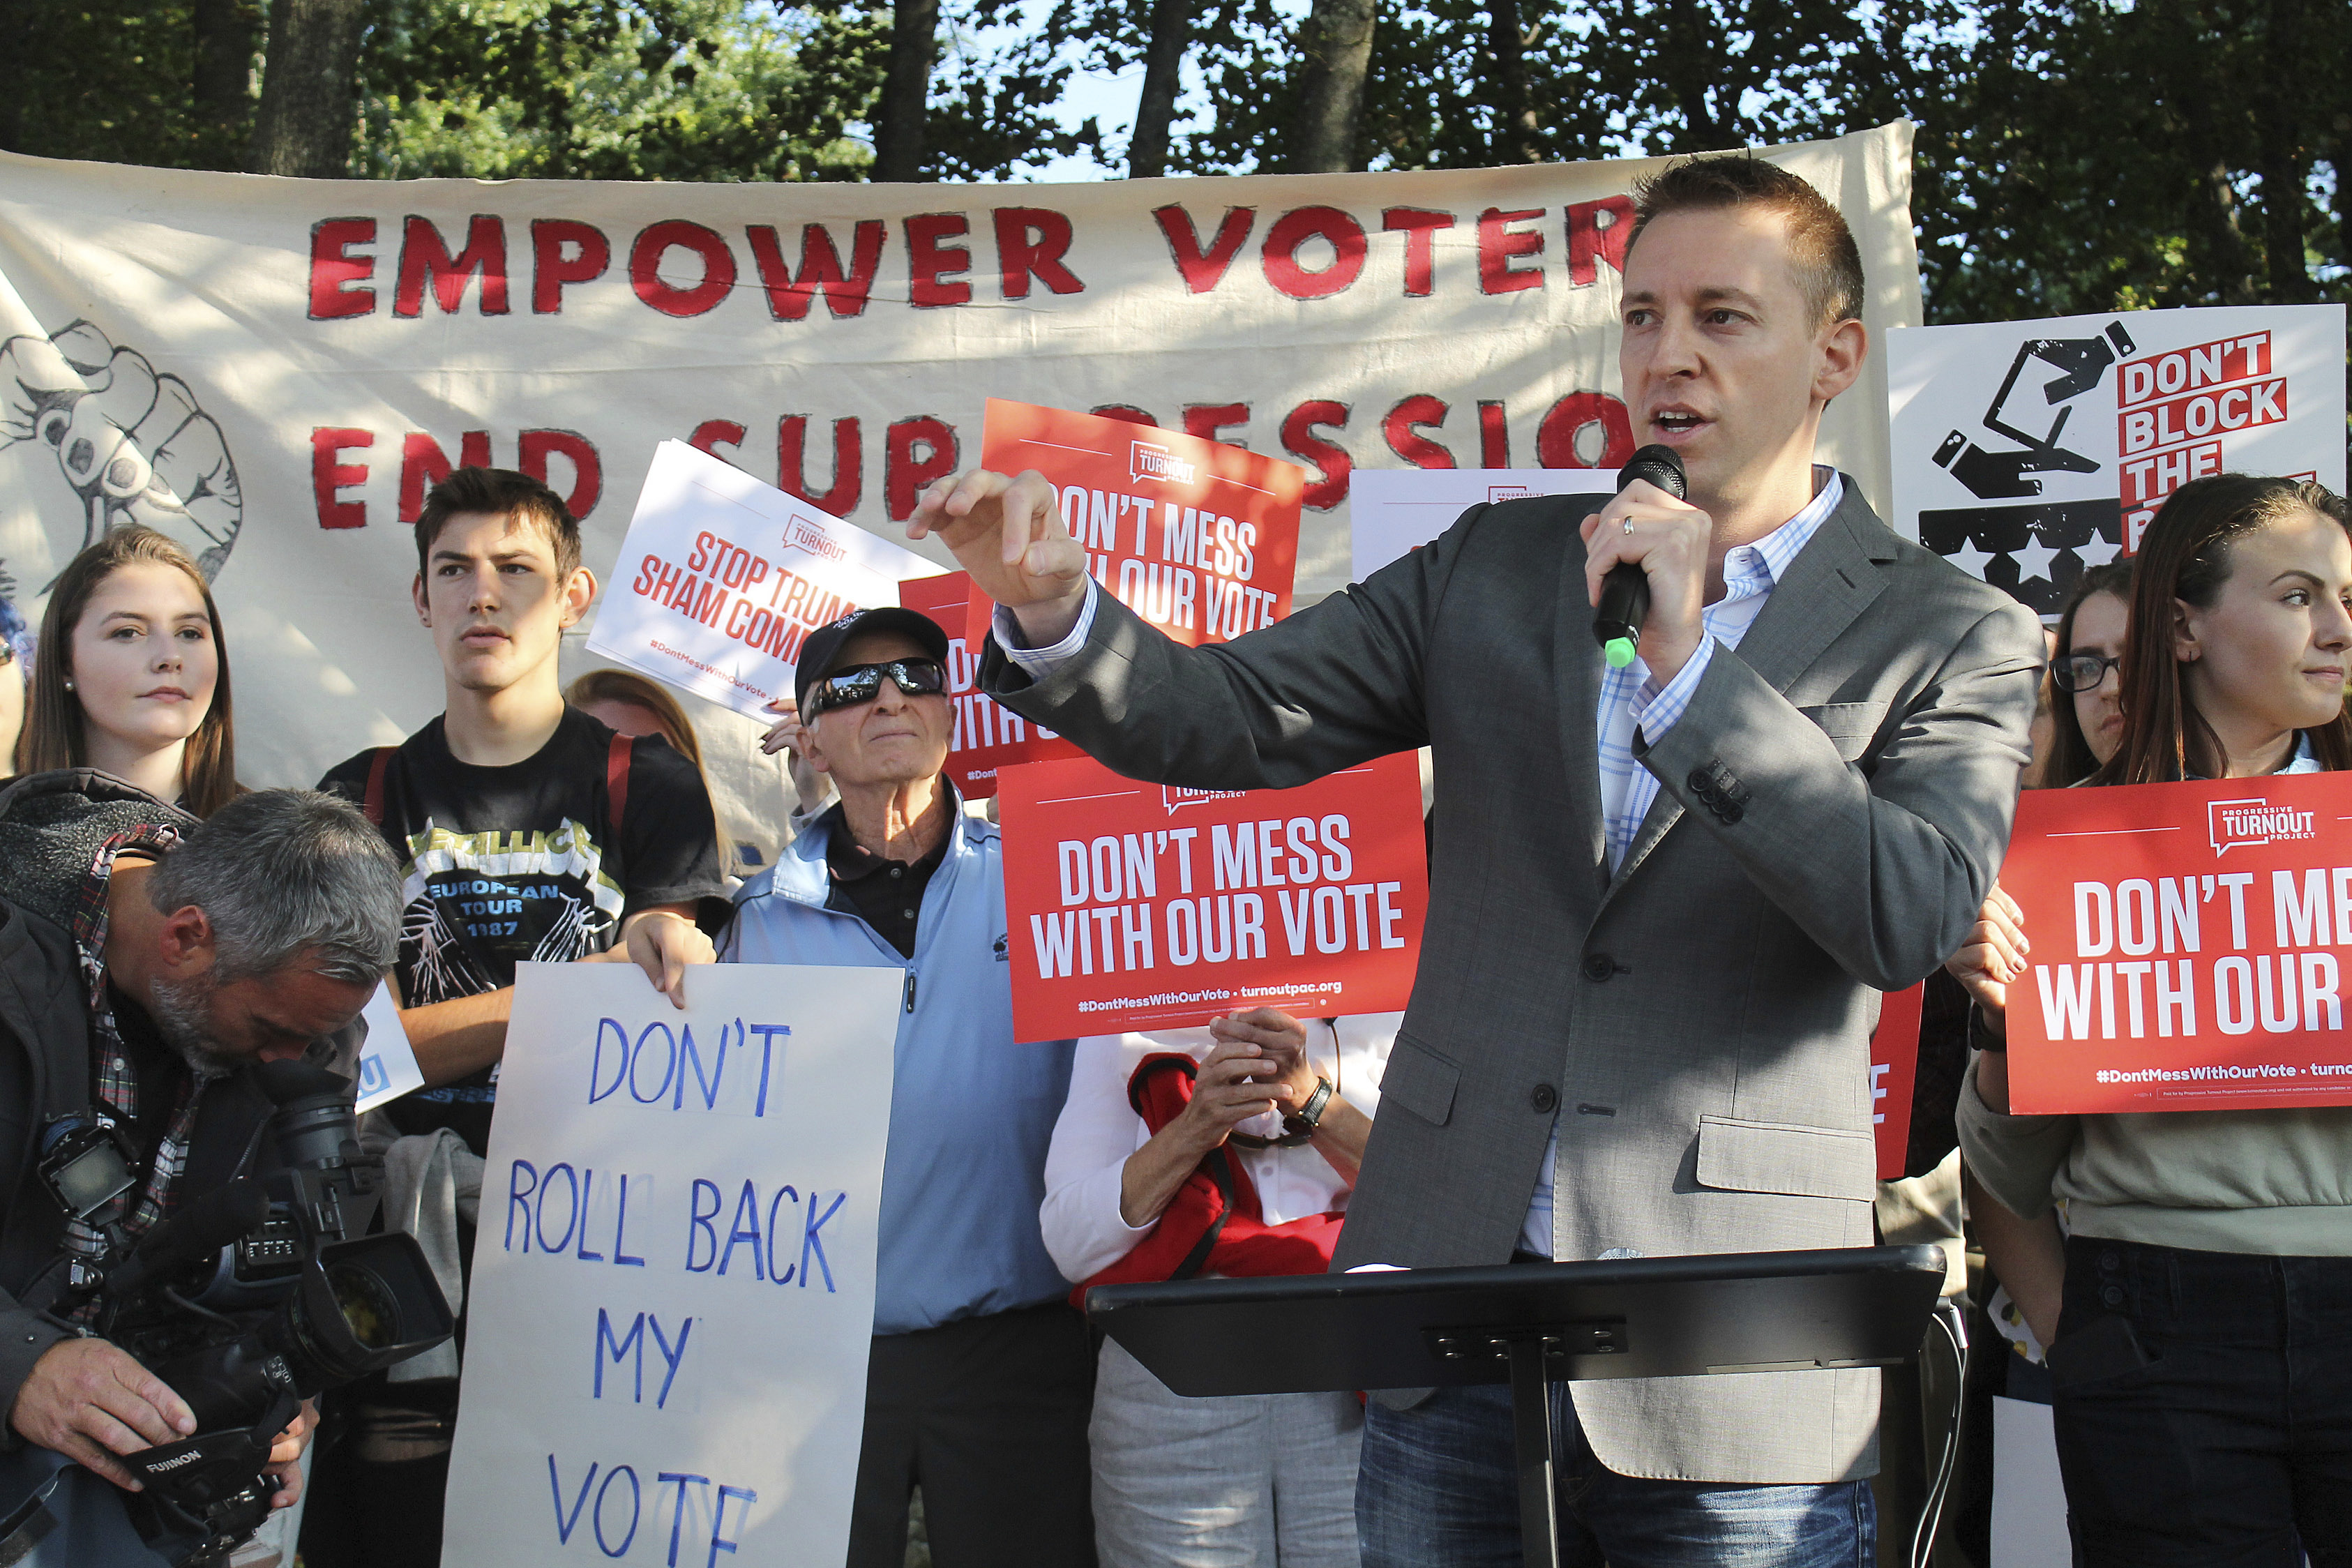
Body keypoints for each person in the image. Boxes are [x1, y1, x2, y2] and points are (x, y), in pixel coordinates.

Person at [912, 153, 2044, 1563]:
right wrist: (1059, 613)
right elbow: (1235, 715)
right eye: (1640, 315)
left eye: (1720, 316)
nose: (1666, 356)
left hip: (1732, 1329)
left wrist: (1685, 663)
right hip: (1453, 1285)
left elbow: (1910, 909)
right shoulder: (1501, 565)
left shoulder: (1950, 626)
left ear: (1836, 353)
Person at [306, 465, 725, 1568]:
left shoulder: (650, 783)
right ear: (420, 598)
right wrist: (574, 989)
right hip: (404, 1259)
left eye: (516, 571)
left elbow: (668, 1006)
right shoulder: (357, 796)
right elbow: (348, 1050)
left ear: (574, 597)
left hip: (595, 1252)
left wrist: (456, 1024)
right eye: (456, 570)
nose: (484, 597)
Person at [1953, 474, 2352, 1565]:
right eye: (2298, 595)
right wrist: (2001, 1031)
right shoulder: (2062, 848)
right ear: (2182, 625)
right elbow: (2003, 1162)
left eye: (2348, 598)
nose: (2337, 629)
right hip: (2154, 1324)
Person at [722, 607, 1093, 1568]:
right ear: (807, 738)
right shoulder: (750, 929)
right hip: (816, 1365)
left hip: (1026, 1349)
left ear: (951, 711)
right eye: (850, 688)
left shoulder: (1051, 878)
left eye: (917, 677)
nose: (890, 697)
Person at [0, 787, 402, 1563]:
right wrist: (22, 1363)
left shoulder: (307, 1015)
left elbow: (293, 1252)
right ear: (186, 936)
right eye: (270, 1031)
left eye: (319, 1038)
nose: (292, 1065)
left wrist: (279, 1393)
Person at [1041, 1009, 1395, 1567]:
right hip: (1174, 1370)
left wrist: (1312, 1097)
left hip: (1362, 1360)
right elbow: (1069, 1244)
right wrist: (1191, 1130)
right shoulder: (1123, 1001)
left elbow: (1442, 1209)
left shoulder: (1390, 982)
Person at [1955, 559, 2132, 1368]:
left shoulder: (2317, 832)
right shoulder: (2030, 872)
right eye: (2083, 667)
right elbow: (2001, 1176)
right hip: (2143, 1333)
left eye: (2135, 659)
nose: (2106, 689)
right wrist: (2080, 1351)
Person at [15, 527, 237, 815]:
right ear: (64, 662)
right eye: (128, 632)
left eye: (190, 633)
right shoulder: (10, 830)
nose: (170, 657)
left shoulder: (279, 846)